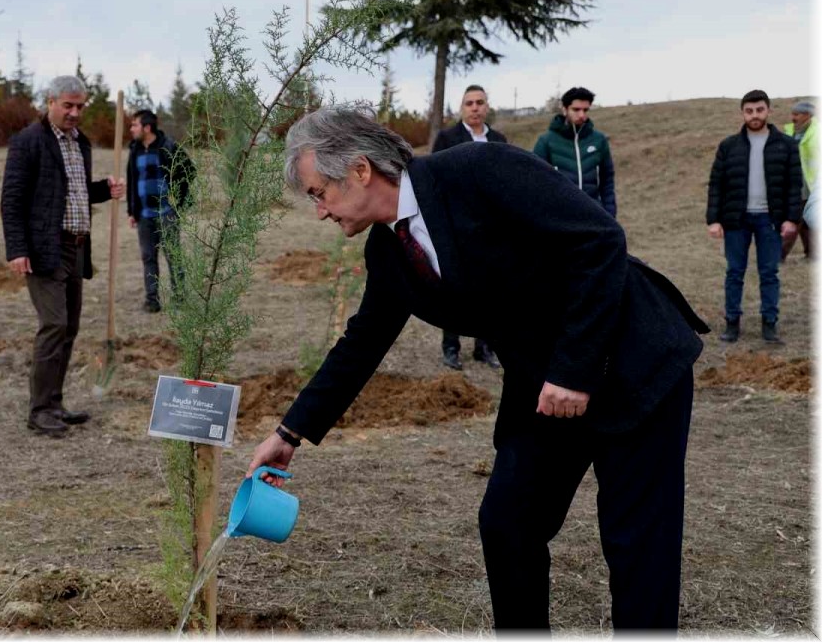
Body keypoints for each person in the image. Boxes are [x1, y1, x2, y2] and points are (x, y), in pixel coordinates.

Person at [245, 107, 709, 631]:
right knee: (508, 522)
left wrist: (574, 371)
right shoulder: (389, 251)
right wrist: (290, 432)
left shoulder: (480, 170)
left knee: (636, 542)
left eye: (318, 193)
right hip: (542, 384)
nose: (319, 212)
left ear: (359, 169)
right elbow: (362, 343)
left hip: (633, 362)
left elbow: (599, 240)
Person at [0, 75, 126, 437]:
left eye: (80, 106)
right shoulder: (28, 141)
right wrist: (17, 249)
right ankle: (39, 411)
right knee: (54, 324)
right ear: (50, 102)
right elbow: (12, 199)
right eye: (67, 105)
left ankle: (54, 403)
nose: (74, 113)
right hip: (45, 247)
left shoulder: (79, 142)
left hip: (77, 247)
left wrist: (104, 189)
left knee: (69, 327)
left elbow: (73, 192)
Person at [706, 90, 802, 343]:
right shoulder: (728, 146)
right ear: (743, 113)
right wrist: (713, 220)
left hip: (770, 220)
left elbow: (794, 185)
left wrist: (791, 218)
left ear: (768, 110)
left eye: (759, 110)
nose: (754, 115)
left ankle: (769, 323)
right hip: (736, 220)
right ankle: (732, 323)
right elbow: (716, 185)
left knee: (769, 273)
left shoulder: (786, 145)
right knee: (734, 273)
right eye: (749, 111)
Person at [429, 85, 505, 370]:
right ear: (462, 108)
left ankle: (484, 348)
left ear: (487, 106)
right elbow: (433, 178)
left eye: (480, 102)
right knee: (455, 289)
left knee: (490, 290)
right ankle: (451, 347)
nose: (475, 107)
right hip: (456, 226)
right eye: (469, 103)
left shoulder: (498, 140)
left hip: (490, 229)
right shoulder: (447, 138)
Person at [125, 109, 196, 313]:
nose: (131, 129)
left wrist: (179, 203)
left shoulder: (168, 147)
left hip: (167, 213)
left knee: (173, 257)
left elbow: (189, 172)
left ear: (147, 128)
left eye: (135, 125)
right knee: (148, 257)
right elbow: (132, 181)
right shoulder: (135, 150)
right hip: (144, 216)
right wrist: (132, 211)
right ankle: (152, 301)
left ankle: (180, 299)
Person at [533, 86, 617, 218]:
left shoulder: (599, 140)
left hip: (594, 215)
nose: (582, 115)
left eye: (585, 110)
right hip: (560, 217)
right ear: (565, 109)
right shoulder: (546, 141)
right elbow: (536, 182)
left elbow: (607, 180)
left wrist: (609, 214)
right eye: (576, 109)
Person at [780, 100, 815, 260]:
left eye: (796, 114)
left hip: (809, 186)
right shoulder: (789, 132)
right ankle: (813, 253)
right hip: (792, 183)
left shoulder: (817, 132)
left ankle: (778, 255)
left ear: (807, 115)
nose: (793, 117)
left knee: (794, 220)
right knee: (806, 223)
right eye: (792, 114)